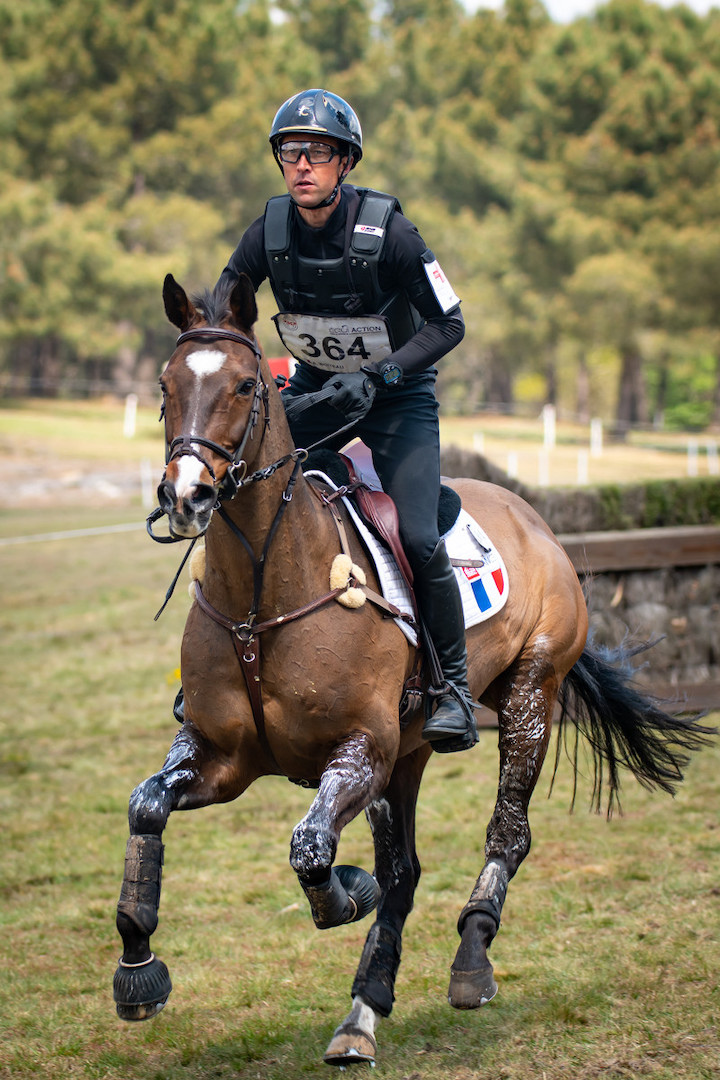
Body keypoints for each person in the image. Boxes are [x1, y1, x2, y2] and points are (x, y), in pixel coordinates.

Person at [216, 88, 477, 753]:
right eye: (290, 153)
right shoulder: (267, 233)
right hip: (315, 394)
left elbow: (451, 323)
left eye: (318, 152)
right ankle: (226, 660)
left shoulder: (390, 231)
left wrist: (382, 375)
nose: (301, 165)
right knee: (251, 506)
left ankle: (452, 688)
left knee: (418, 537)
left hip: (398, 398)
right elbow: (223, 314)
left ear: (346, 163)